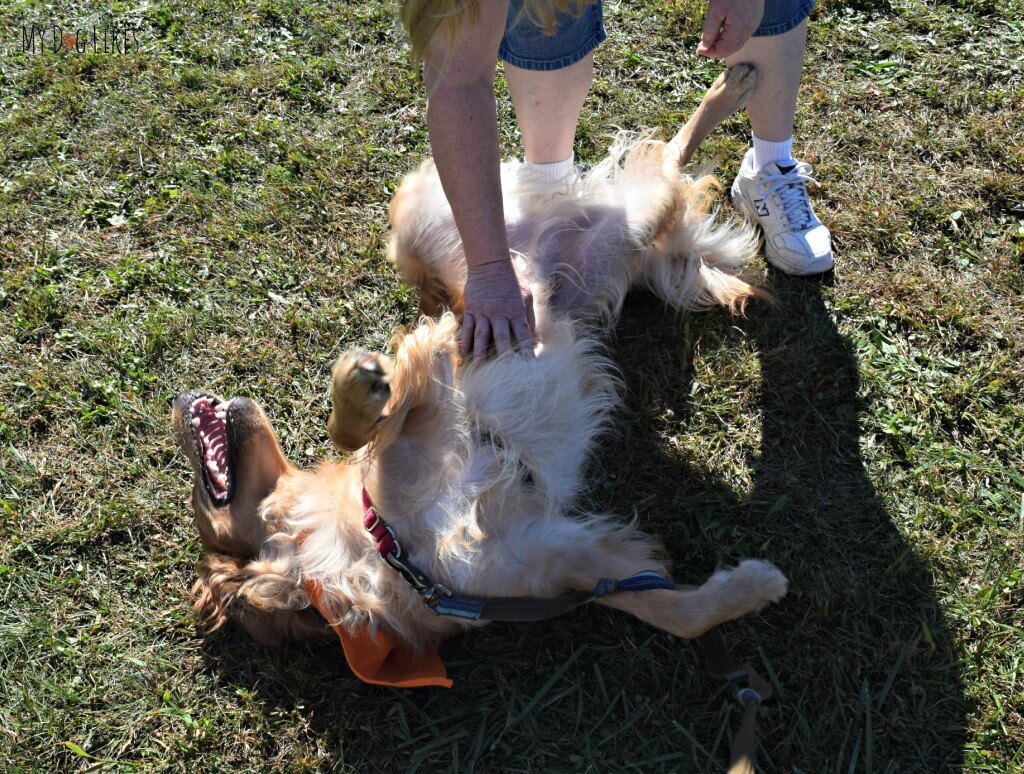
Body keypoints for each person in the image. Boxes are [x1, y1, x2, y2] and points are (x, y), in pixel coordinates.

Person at [400, 0, 833, 360]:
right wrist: (489, 268)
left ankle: (769, 164)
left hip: (466, 262)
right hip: (546, 286)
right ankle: (557, 181)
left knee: (417, 220)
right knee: (550, 12)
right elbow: (457, 79)